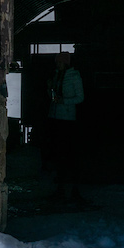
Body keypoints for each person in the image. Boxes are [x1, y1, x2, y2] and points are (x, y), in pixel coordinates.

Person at [46, 51, 85, 203]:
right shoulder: (57, 75)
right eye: (57, 62)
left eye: (60, 62)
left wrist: (65, 101)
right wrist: (50, 89)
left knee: (67, 153)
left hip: (67, 119)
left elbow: (80, 97)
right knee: (58, 153)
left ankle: (71, 187)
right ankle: (62, 187)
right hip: (56, 117)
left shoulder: (74, 76)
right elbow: (53, 97)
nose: (58, 65)